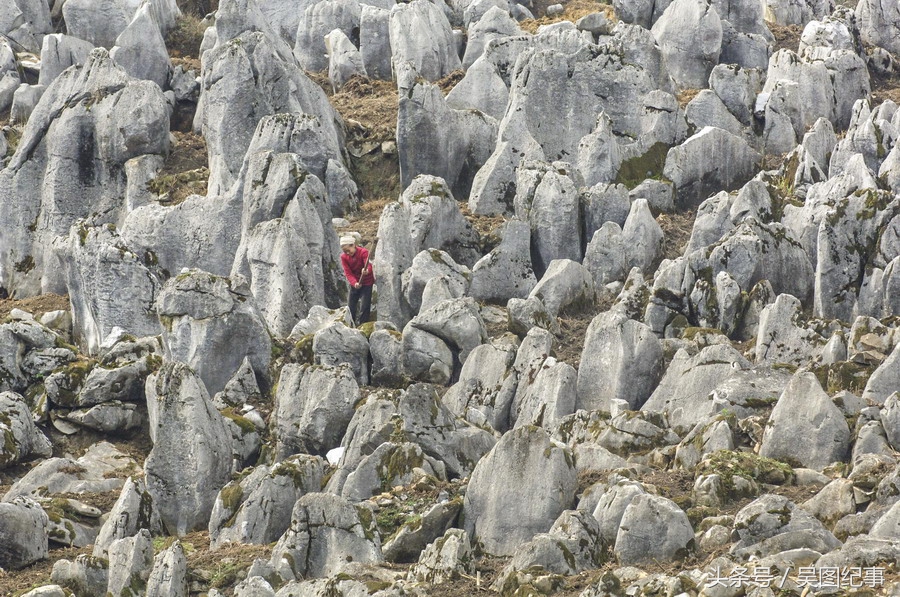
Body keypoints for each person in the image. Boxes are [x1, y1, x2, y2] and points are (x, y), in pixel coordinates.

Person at [339, 234, 375, 325]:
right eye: (344, 251)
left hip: (367, 283)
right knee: (351, 306)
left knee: (365, 306)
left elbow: (369, 265)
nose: (347, 253)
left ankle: (363, 324)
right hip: (355, 283)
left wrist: (366, 270)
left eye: (348, 250)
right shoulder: (344, 257)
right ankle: (351, 324)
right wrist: (354, 283)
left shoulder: (363, 252)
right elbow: (348, 273)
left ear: (353, 245)